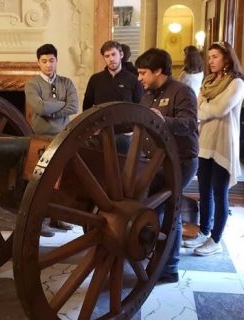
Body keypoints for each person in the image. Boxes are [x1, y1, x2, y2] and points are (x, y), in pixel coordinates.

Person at [135, 48, 199, 283]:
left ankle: (169, 267)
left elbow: (190, 124)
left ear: (158, 71)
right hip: (155, 162)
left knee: (170, 211)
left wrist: (163, 120)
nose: (139, 78)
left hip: (180, 161)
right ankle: (154, 255)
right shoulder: (147, 94)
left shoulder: (182, 91)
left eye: (143, 73)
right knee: (153, 208)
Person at [183, 41, 244, 256]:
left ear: (227, 58)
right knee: (204, 191)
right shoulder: (208, 81)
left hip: (223, 143)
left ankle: (216, 239)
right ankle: (204, 230)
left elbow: (221, 109)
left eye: (215, 56)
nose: (211, 61)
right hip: (206, 141)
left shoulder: (236, 83)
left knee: (220, 193)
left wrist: (205, 108)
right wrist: (206, 109)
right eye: (209, 57)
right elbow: (196, 109)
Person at [24, 43, 78, 236]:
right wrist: (61, 105)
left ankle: (58, 217)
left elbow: (74, 107)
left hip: (63, 137)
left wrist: (51, 108)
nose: (48, 64)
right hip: (41, 138)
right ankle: (41, 221)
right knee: (41, 182)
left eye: (52, 60)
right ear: (38, 62)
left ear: (56, 60)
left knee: (63, 181)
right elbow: (38, 108)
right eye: (44, 61)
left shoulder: (67, 83)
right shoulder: (32, 84)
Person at [83, 40, 144, 153]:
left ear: (121, 55)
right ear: (104, 58)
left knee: (126, 169)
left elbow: (139, 107)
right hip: (101, 134)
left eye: (113, 54)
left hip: (126, 135)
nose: (111, 59)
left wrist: (133, 129)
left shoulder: (133, 79)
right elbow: (87, 107)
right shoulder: (95, 79)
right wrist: (92, 128)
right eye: (107, 56)